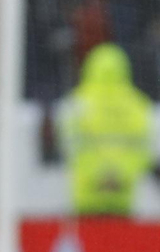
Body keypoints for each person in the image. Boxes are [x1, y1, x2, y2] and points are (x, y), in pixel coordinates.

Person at [61, 44, 154, 217]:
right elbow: (143, 150)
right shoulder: (138, 104)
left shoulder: (78, 103)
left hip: (86, 197)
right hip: (122, 195)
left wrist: (98, 176)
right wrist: (119, 176)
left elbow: (71, 147)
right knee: (121, 243)